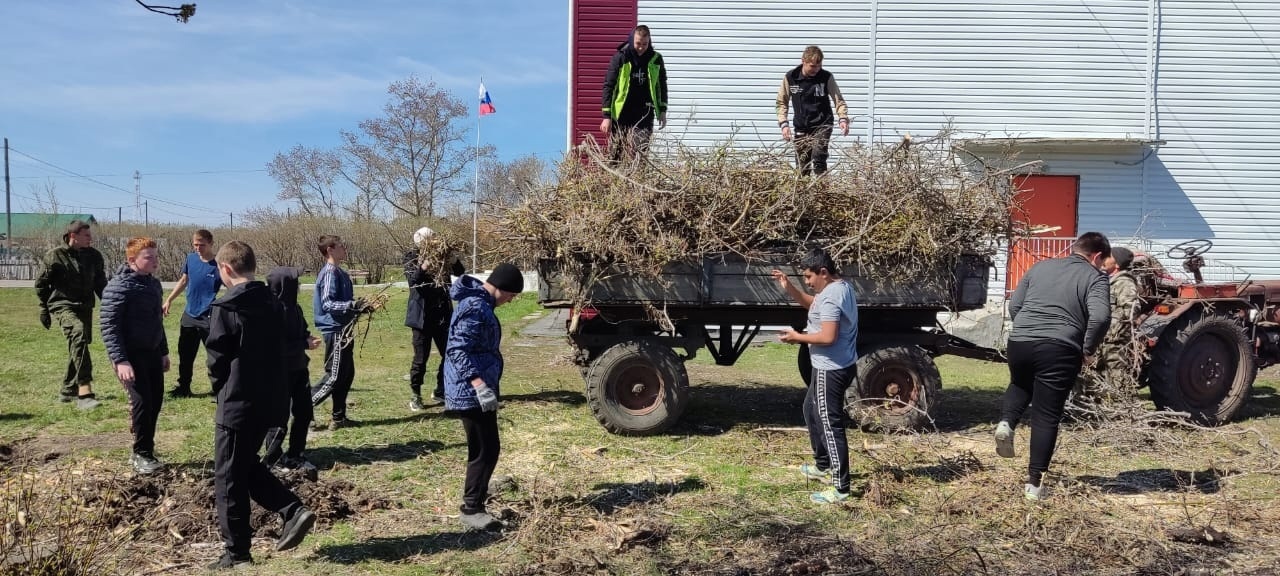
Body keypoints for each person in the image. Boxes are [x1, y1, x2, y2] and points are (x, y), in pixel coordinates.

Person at [205, 241, 315, 569]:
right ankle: (292, 510)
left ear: (225, 269)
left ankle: (237, 553)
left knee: (228, 477)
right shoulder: (277, 304)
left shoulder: (226, 309)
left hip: (238, 402)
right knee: (243, 465)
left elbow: (217, 361)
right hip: (273, 401)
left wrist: (219, 392)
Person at [994, 232, 1111, 501]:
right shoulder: (1095, 277)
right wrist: (1087, 348)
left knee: (1020, 383)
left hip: (1020, 341)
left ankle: (1006, 422)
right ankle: (1034, 486)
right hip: (1059, 348)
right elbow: (1101, 317)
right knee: (1046, 415)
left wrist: (1027, 327)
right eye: (1102, 261)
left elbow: (1016, 305)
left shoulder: (1040, 267)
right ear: (1096, 256)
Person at [771, 248, 858, 504]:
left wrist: (797, 337)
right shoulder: (837, 289)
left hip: (830, 368)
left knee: (830, 425)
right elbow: (813, 305)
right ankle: (823, 465)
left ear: (823, 272)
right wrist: (790, 288)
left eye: (809, 277)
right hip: (838, 364)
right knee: (811, 410)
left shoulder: (831, 297)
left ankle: (840, 488)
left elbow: (828, 337)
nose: (807, 282)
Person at [444, 263, 524, 531]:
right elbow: (456, 349)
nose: (511, 300)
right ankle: (471, 508)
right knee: (484, 449)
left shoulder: (481, 303)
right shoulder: (476, 307)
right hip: (470, 391)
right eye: (511, 295)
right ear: (500, 287)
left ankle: (476, 499)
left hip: (477, 389)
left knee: (488, 447)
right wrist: (478, 384)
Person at [99, 237, 170, 475]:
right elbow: (109, 326)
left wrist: (163, 351)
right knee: (142, 403)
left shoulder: (153, 285)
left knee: (156, 401)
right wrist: (120, 360)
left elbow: (156, 321)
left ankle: (148, 449)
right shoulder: (119, 287)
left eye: (155, 257)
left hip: (151, 353)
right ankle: (141, 454)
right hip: (130, 357)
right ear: (132, 260)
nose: (155, 262)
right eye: (149, 258)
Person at [35, 219, 108, 409]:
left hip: (85, 307)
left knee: (79, 345)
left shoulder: (94, 256)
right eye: (87, 235)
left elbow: (101, 284)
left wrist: (110, 305)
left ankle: (67, 390)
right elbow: (41, 284)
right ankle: (85, 392)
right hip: (62, 305)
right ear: (73, 236)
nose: (90, 239)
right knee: (78, 334)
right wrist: (44, 308)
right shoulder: (55, 256)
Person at [261, 266, 321, 472]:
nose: (299, 285)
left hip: (299, 368)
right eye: (295, 282)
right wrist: (304, 344)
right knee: (279, 418)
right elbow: (275, 347)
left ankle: (296, 453)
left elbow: (302, 330)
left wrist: (307, 338)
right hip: (279, 372)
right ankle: (272, 459)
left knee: (304, 412)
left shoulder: (295, 308)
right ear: (284, 285)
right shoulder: (271, 311)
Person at [404, 226, 465, 411]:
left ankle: (440, 389)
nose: (434, 242)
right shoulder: (411, 257)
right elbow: (412, 282)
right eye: (429, 240)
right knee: (420, 359)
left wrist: (454, 261)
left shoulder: (443, 256)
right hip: (422, 317)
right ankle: (416, 394)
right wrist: (423, 266)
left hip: (442, 315)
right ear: (421, 243)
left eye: (435, 238)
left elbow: (461, 273)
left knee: (449, 354)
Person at [161, 229, 223, 397]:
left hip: (208, 316)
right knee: (185, 354)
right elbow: (184, 280)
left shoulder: (219, 264)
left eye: (201, 245)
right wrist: (169, 300)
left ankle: (219, 390)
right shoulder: (191, 258)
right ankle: (183, 387)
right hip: (189, 314)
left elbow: (231, 284)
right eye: (195, 244)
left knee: (215, 356)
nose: (198, 248)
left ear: (211, 243)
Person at [309, 235, 361, 429]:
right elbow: (328, 303)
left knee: (347, 374)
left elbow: (346, 303)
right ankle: (302, 408)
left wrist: (358, 307)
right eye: (340, 246)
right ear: (330, 250)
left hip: (345, 328)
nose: (344, 249)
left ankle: (338, 417)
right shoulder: (330, 272)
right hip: (335, 329)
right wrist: (351, 305)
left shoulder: (341, 273)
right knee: (334, 375)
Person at [776, 45, 850, 175]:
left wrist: (843, 118)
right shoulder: (791, 78)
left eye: (819, 66)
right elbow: (781, 102)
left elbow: (839, 100)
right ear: (803, 61)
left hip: (822, 124)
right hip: (802, 126)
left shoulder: (826, 77)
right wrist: (784, 124)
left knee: (818, 158)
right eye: (812, 66)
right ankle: (803, 193)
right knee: (802, 166)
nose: (816, 69)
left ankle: (823, 192)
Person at [600, 24, 668, 164]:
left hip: (644, 111)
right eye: (638, 43)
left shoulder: (656, 59)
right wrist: (607, 116)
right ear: (632, 40)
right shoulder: (621, 57)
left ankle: (637, 182)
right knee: (615, 152)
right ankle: (613, 181)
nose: (642, 47)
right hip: (622, 111)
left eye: (645, 44)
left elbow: (661, 85)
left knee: (640, 152)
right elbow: (609, 85)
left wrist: (662, 110)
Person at [1094, 247, 1140, 393]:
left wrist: (1111, 329)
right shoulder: (1107, 281)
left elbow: (1130, 310)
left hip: (1114, 340)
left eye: (1108, 256)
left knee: (1117, 375)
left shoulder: (1125, 282)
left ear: (1117, 264)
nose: (1104, 259)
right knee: (1095, 374)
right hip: (1101, 338)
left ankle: (1120, 409)